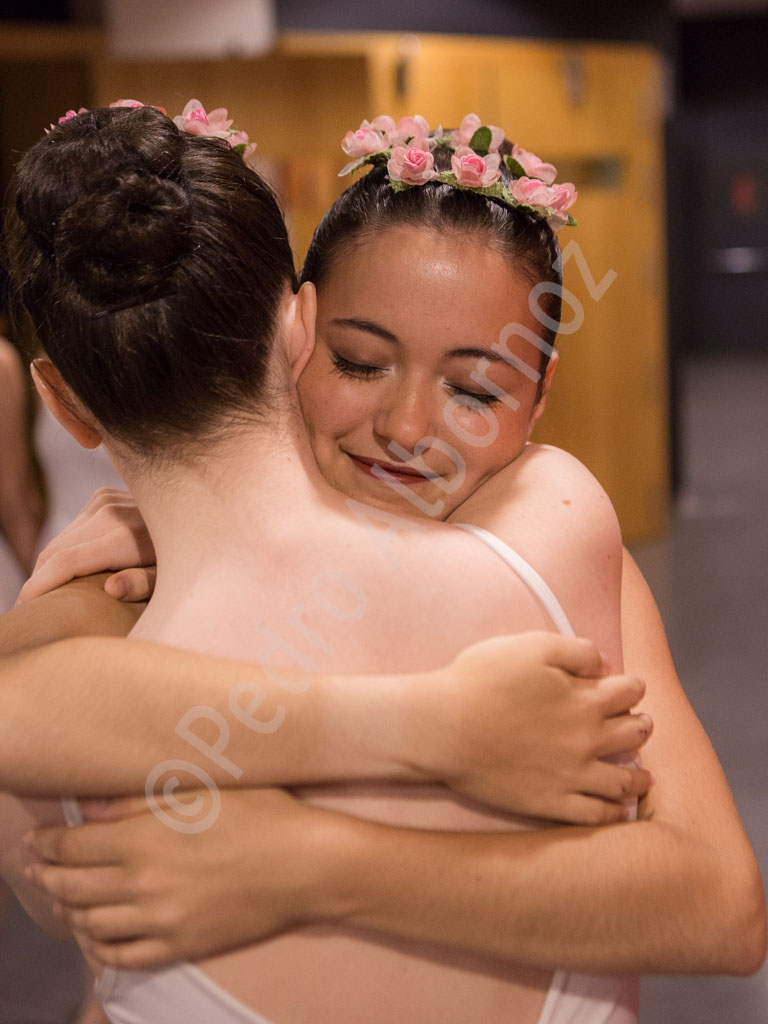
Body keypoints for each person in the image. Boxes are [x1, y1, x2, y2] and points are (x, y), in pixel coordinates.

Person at [0, 103, 763, 1023]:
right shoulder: (115, 593)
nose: (406, 429)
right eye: (359, 363)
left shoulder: (556, 527)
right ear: (296, 332)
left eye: (475, 387)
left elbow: (723, 907)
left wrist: (316, 861)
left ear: (538, 400)